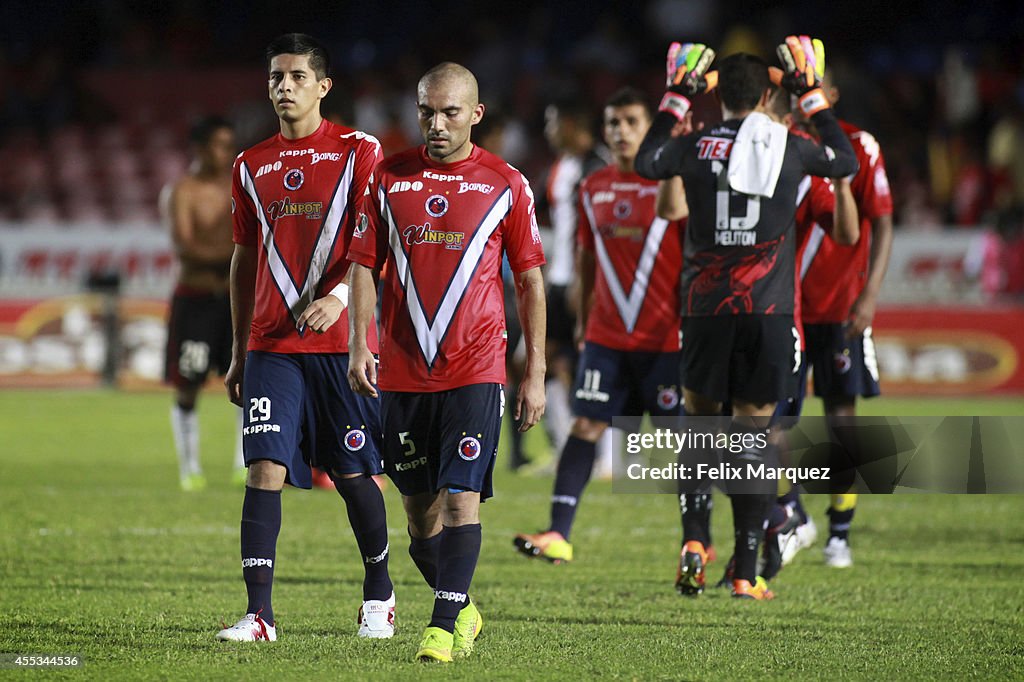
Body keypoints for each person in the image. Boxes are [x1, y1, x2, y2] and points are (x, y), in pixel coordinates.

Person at [635, 39, 858, 600]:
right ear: (766, 94)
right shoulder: (791, 143)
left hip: (705, 312)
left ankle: (693, 540)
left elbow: (646, 162)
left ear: (717, 98)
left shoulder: (692, 145)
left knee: (700, 428)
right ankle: (744, 570)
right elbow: (845, 161)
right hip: (767, 312)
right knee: (753, 438)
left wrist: (676, 100)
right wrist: (809, 95)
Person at [347, 62, 546, 663]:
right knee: (418, 516)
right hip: (405, 370)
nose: (436, 123)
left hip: (476, 367)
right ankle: (462, 604)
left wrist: (533, 372)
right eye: (427, 111)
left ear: (476, 114)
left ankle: (438, 631)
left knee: (462, 498)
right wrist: (361, 343)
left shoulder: (506, 183)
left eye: (449, 112)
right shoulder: (387, 178)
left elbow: (530, 281)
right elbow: (361, 265)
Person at [216, 33, 394, 643]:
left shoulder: (359, 152)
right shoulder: (249, 163)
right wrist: (239, 349)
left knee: (351, 473)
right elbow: (243, 260)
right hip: (271, 347)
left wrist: (339, 300)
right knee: (263, 468)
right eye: (275, 77)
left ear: (324, 85)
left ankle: (380, 595)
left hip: (341, 346)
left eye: (296, 76)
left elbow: (375, 246)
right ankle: (259, 615)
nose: (283, 87)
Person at [514, 87, 685, 563]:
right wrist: (586, 318)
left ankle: (706, 538)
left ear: (650, 127)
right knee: (586, 424)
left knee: (687, 437)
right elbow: (587, 258)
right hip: (607, 337)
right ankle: (558, 533)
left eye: (632, 121)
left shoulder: (671, 185)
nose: (622, 131)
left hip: (664, 338)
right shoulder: (594, 186)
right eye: (614, 123)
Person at [788, 61, 895, 568]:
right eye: (794, 89)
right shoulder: (776, 143)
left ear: (830, 92)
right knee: (772, 423)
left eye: (809, 88)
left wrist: (870, 293)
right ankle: (794, 515)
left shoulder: (860, 147)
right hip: (782, 309)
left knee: (841, 421)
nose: (799, 97)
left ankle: (840, 533)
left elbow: (883, 223)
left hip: (839, 308)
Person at [161, 115, 241, 492]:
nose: (225, 153)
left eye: (229, 145)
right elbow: (187, 249)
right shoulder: (183, 192)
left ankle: (245, 463)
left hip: (233, 302)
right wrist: (240, 255)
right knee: (188, 383)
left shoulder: (239, 186)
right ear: (198, 148)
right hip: (194, 303)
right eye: (218, 145)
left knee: (246, 380)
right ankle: (189, 467)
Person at [540, 99, 610, 463]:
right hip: (559, 276)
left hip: (585, 280)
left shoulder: (597, 166)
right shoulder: (562, 165)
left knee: (594, 366)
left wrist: (587, 284)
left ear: (570, 123)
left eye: (552, 122)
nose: (548, 132)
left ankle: (607, 455)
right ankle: (567, 447)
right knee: (545, 361)